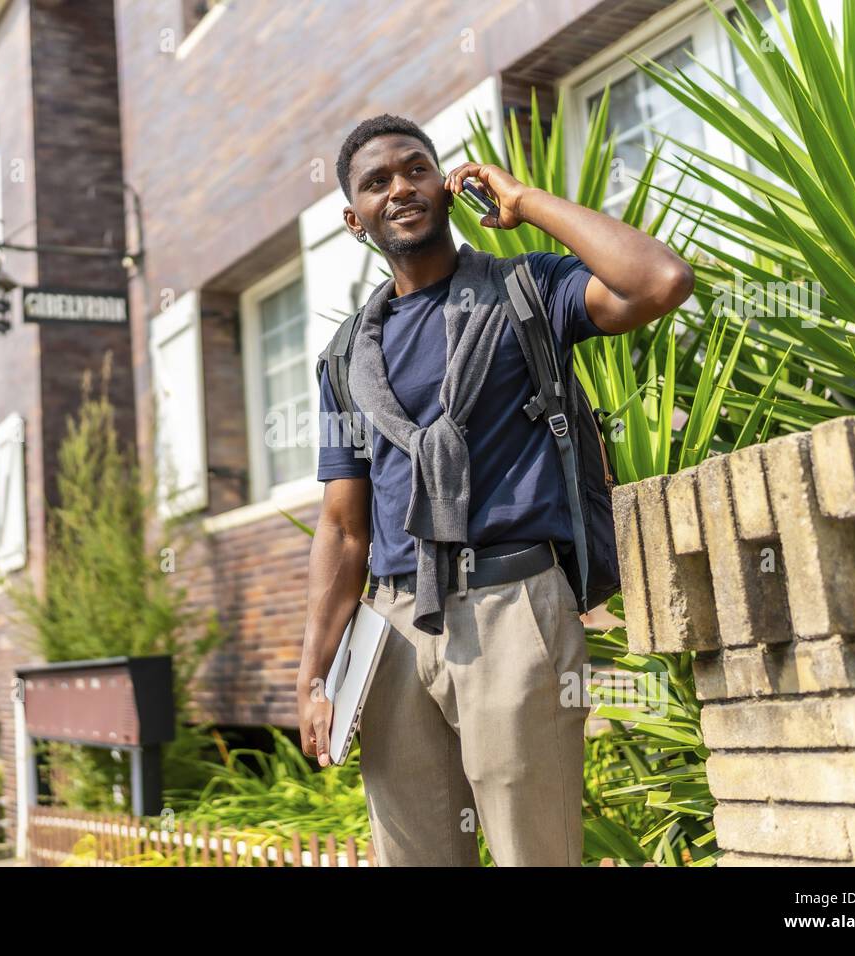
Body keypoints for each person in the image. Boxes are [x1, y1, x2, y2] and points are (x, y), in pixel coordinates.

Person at [294, 113, 693, 867]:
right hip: (392, 626)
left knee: (531, 853)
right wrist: (314, 673)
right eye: (376, 182)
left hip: (513, 604)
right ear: (356, 219)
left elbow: (659, 282)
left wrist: (526, 200)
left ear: (446, 185)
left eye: (415, 169)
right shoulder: (346, 359)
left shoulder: (527, 290)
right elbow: (343, 528)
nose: (400, 188)